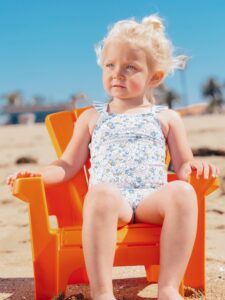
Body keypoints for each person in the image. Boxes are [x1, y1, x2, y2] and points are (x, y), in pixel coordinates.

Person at [7, 14, 219, 300]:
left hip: (150, 201)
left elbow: (183, 166)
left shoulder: (166, 118)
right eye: (110, 65)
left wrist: (196, 168)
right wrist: (39, 175)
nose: (117, 73)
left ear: (154, 77)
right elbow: (68, 165)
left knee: (183, 192)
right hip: (111, 203)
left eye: (130, 67)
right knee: (100, 194)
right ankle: (102, 292)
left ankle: (168, 288)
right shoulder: (93, 117)